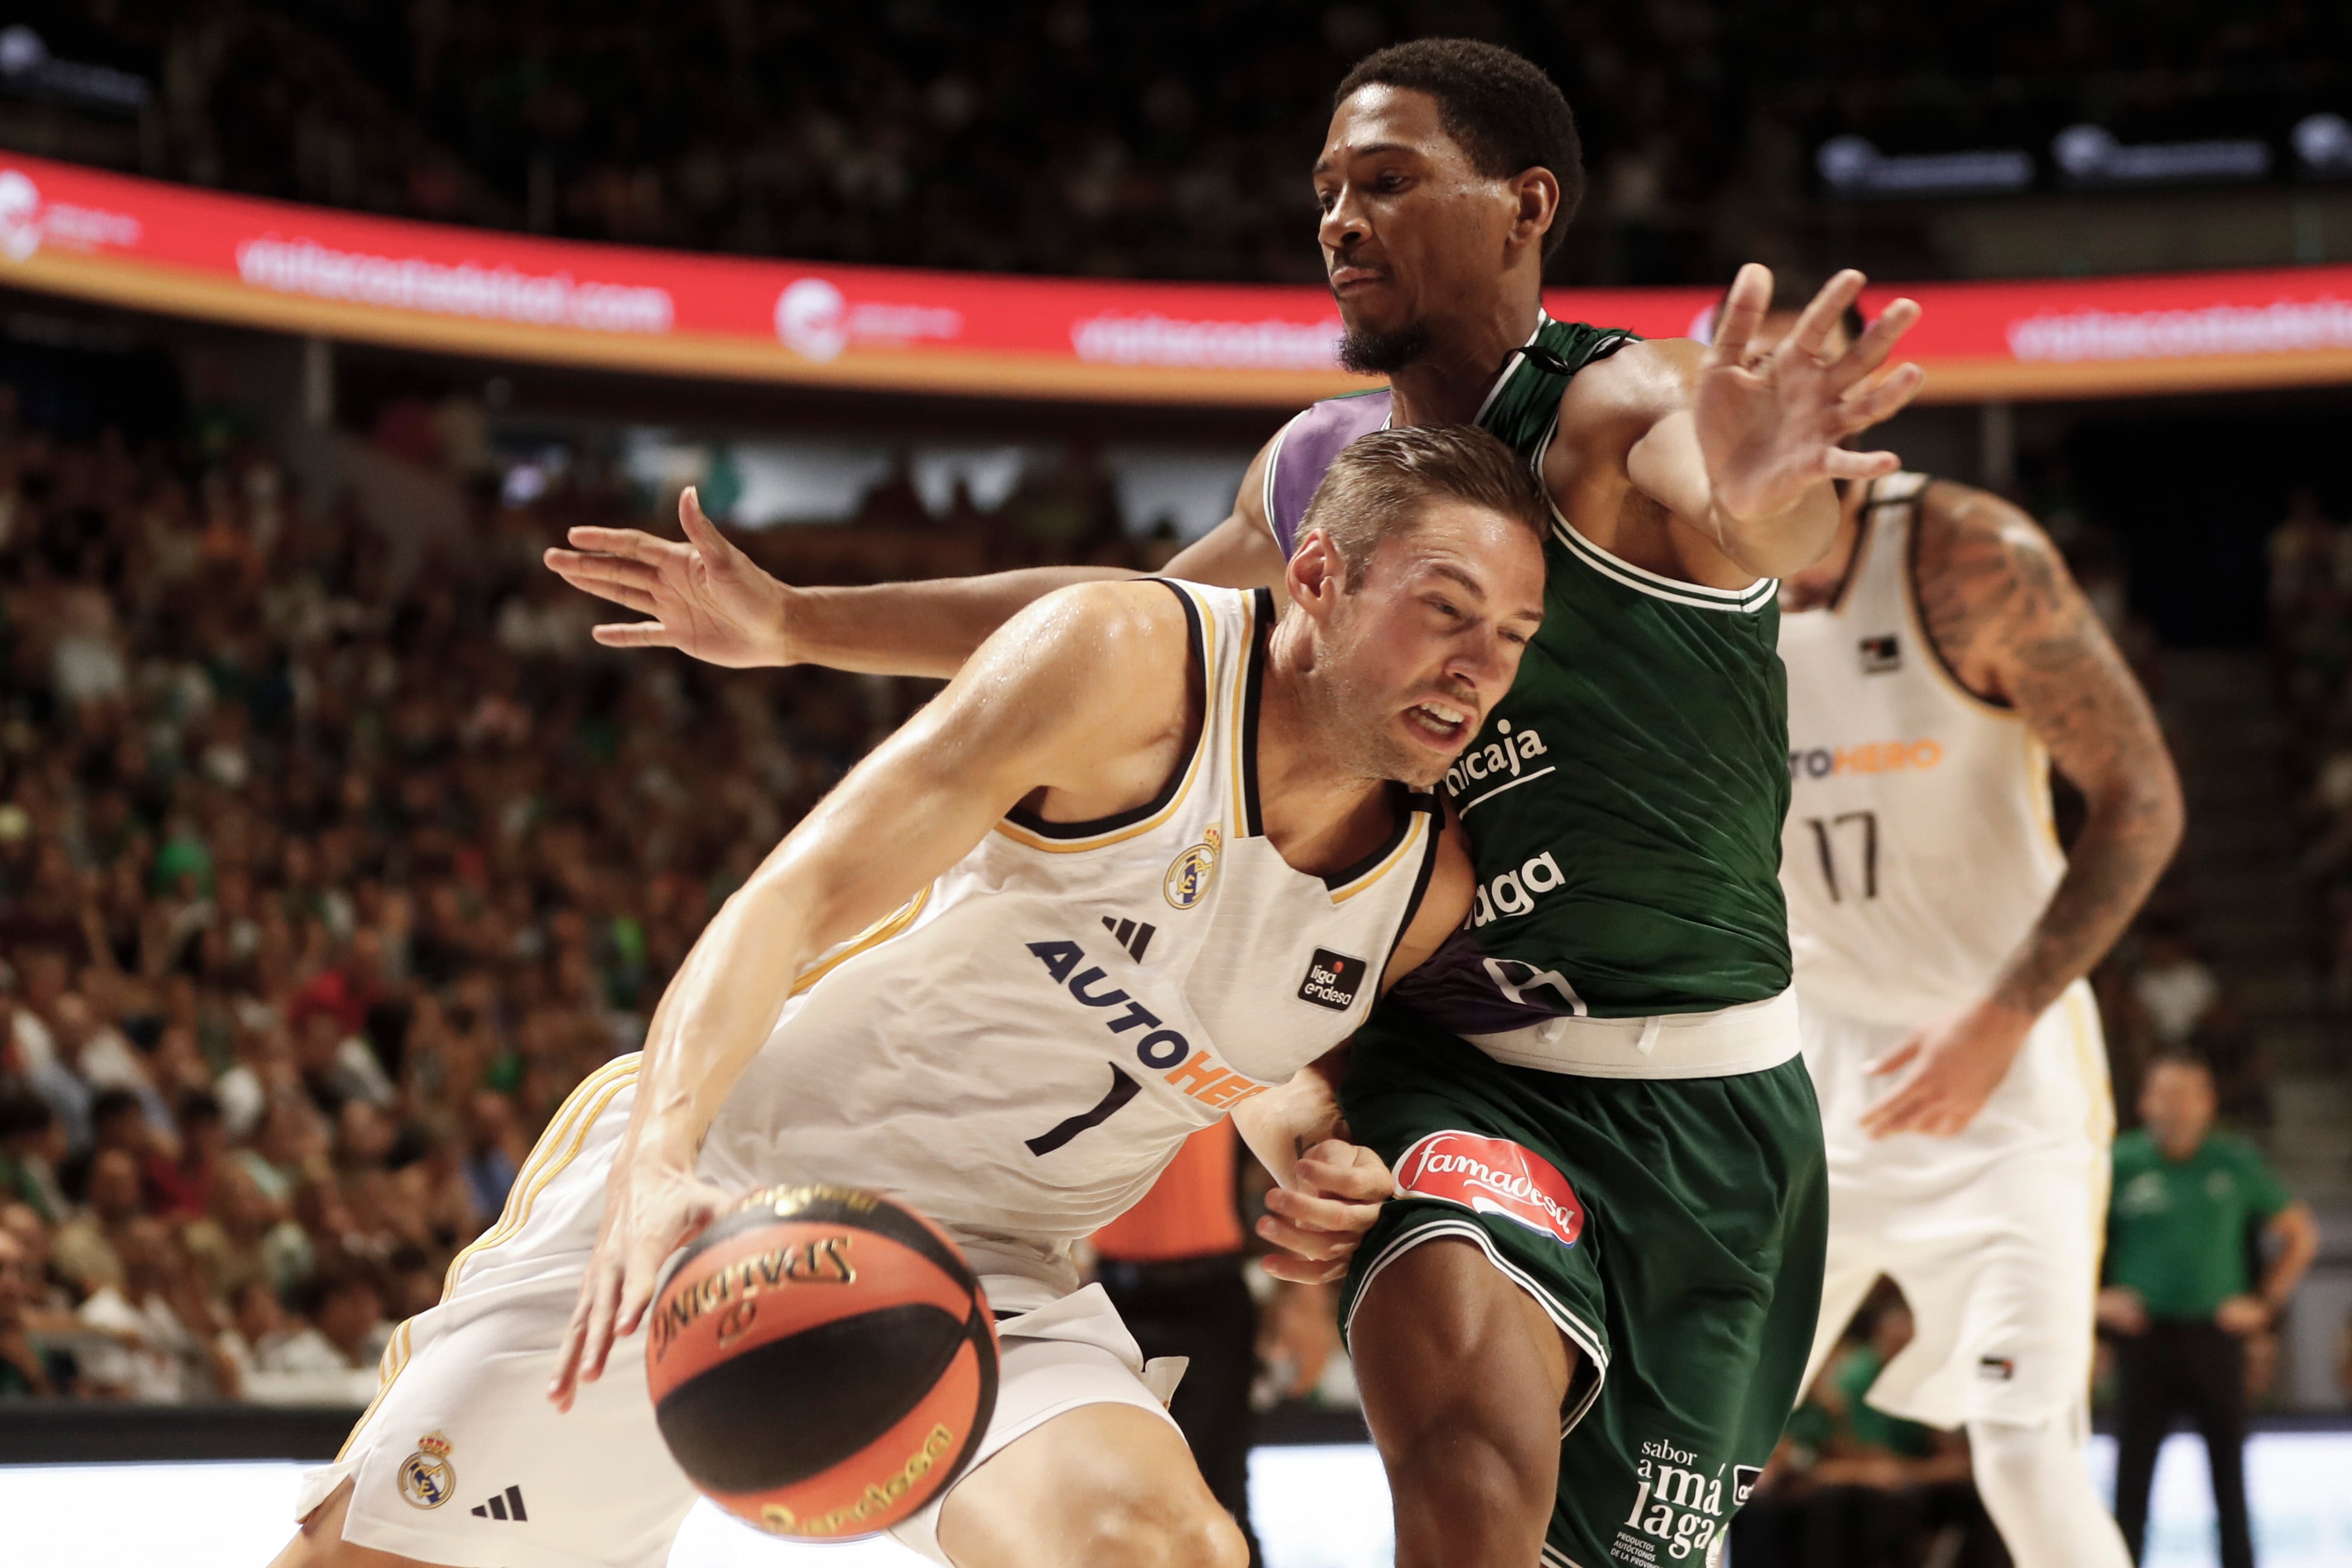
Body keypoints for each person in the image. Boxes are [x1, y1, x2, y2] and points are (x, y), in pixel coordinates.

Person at [547, 40, 1924, 1568]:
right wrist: (806, 621)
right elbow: (1125, 613)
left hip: (1704, 1086)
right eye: (1327, 189)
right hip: (1440, 1060)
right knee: (1469, 1478)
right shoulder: (1329, 471)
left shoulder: (1616, 407)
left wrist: (1765, 493)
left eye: (1388, 183)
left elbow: (1734, 499)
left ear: (1528, 204)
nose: (1338, 217)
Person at [275, 425, 1546, 1568]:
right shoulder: (1126, 664)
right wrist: (660, 1164)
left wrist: (1313, 1150)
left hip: (993, 1279)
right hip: (729, 1187)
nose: (1474, 668)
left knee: (1156, 1554)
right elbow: (790, 899)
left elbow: (1229, 1050)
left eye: (1509, 639)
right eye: (1445, 611)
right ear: (1315, 577)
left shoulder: (1418, 893)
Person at [1757, 282, 2184, 1568]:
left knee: (2023, 1458)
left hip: (1999, 1069)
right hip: (1805, 1073)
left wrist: (2005, 1013)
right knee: (1687, 1448)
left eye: (1809, 386)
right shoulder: (1673, 582)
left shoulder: (1970, 559)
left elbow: (2143, 798)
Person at [2099, 1054, 2318, 1568]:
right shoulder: (2119, 1162)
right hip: (2141, 1337)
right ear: (2144, 1102)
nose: (2176, 1107)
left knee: (2228, 1477)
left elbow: (2299, 1235)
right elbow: (2069, 1238)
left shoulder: (2233, 1162)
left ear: (2208, 1103)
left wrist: (2263, 1305)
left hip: (2214, 1338)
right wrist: (2096, 1300)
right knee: (2130, 1479)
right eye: (2165, 1095)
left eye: (2187, 1095)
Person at [1091, 1121, 1267, 1565]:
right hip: (1115, 1295)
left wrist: (1303, 1299)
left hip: (1213, 1292)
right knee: (1123, 1495)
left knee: (1222, 1494)